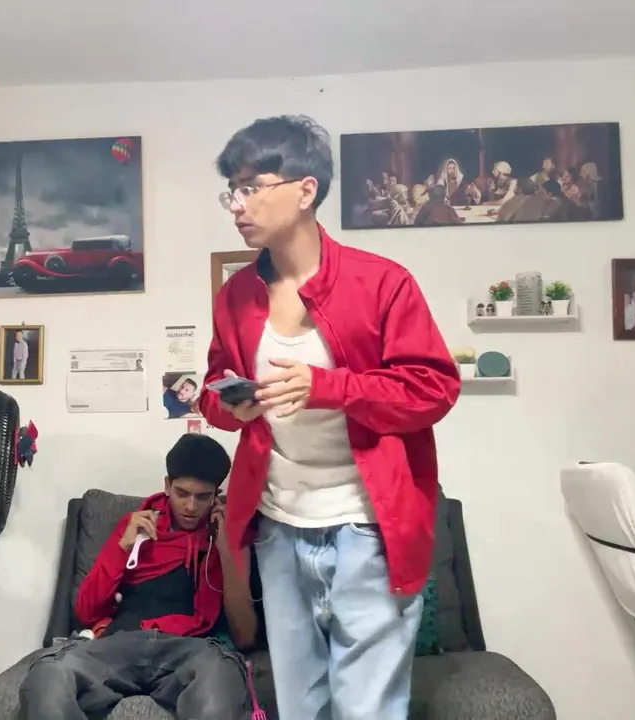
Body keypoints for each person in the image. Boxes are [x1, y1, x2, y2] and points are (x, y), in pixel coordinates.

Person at [201, 115, 460, 720]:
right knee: (300, 706)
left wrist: (327, 387)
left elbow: (433, 389)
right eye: (231, 191)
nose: (237, 205)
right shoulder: (236, 296)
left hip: (369, 524)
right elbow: (215, 393)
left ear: (305, 189)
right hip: (278, 521)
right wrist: (230, 404)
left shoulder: (383, 282)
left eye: (250, 187)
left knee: (366, 709)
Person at [17, 434, 259, 720]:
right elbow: (86, 611)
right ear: (167, 485)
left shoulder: (227, 534)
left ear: (216, 495)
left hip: (190, 649)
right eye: (182, 493)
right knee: (47, 676)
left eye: (203, 497)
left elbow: (245, 637)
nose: (191, 507)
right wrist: (122, 547)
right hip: (120, 642)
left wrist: (226, 551)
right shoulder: (136, 524)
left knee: (220, 683)